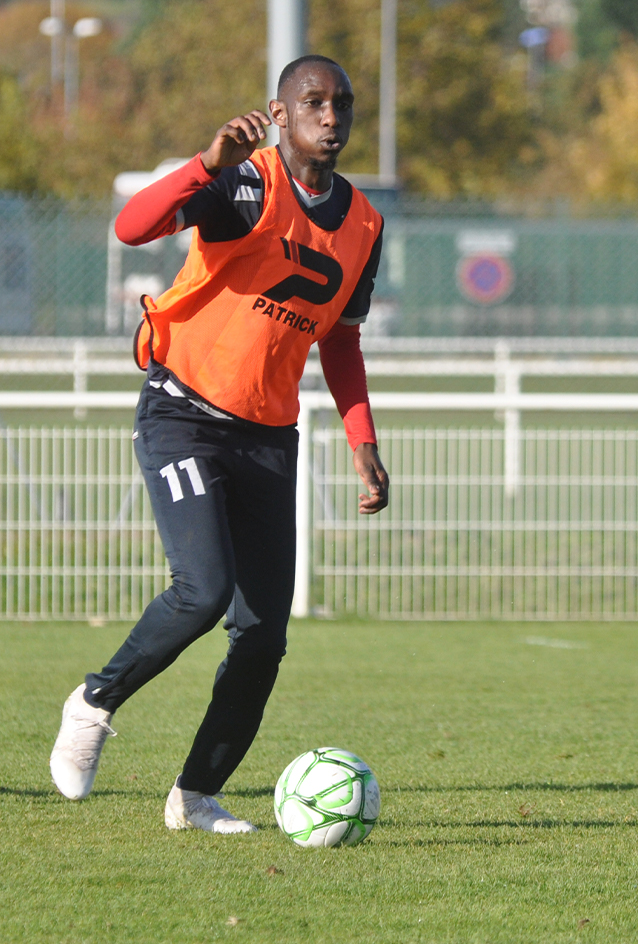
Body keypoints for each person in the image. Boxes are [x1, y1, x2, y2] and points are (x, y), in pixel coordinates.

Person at [48, 55, 390, 832]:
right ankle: (94, 703)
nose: (330, 116)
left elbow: (341, 339)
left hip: (269, 436)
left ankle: (195, 794)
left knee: (264, 633)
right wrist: (206, 164)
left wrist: (361, 437)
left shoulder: (364, 222)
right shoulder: (245, 186)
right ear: (279, 112)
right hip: (185, 413)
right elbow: (130, 226)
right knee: (202, 592)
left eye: (341, 103)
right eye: (313, 102)